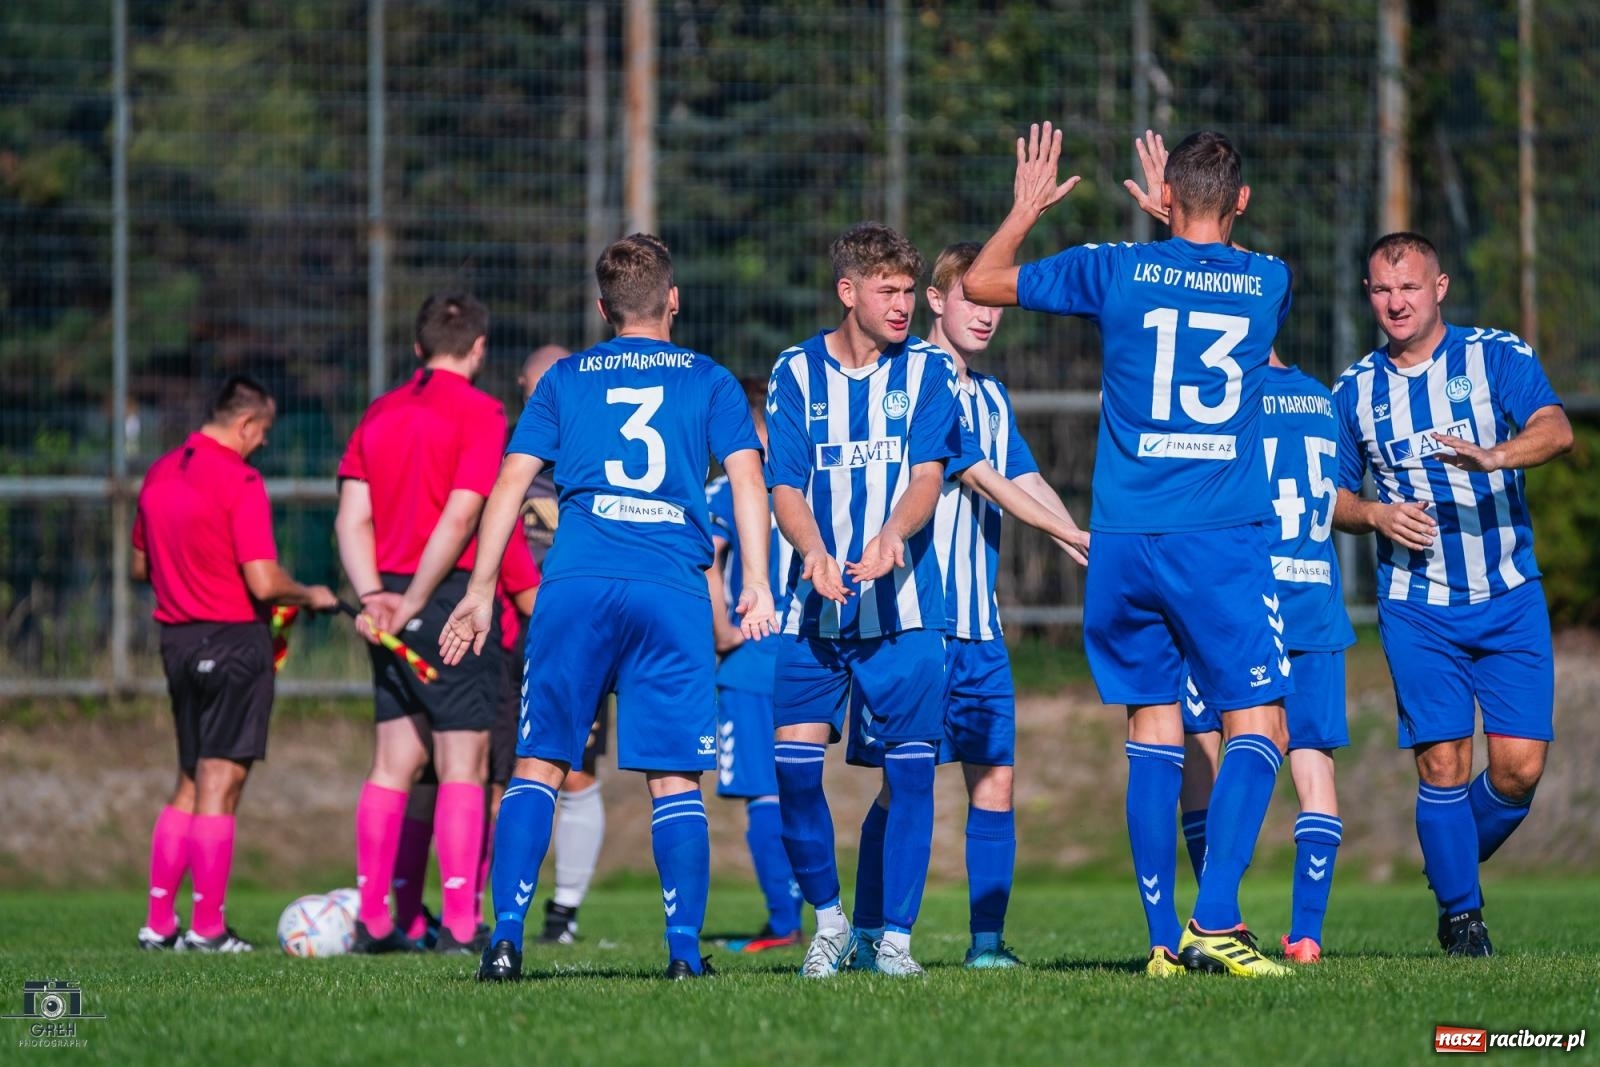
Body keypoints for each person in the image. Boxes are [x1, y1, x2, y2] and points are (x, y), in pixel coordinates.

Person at [965, 124, 1295, 977]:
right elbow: (1216, 268)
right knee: (1259, 721)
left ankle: (1159, 942)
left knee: (1152, 728)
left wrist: (1024, 209)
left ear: (1168, 196)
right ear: (1243, 201)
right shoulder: (1268, 279)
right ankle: (1214, 919)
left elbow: (981, 282)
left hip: (1120, 540)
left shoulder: (1115, 267)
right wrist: (1183, 222)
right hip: (1215, 536)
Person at [440, 233, 777, 982]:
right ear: (673, 300)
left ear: (603, 308)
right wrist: (754, 577)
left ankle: (505, 939)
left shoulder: (564, 379)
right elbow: (748, 480)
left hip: (577, 584)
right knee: (675, 779)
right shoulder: (711, 379)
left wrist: (479, 589)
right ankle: (683, 954)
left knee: (537, 764)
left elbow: (510, 482)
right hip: (671, 589)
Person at [766, 222, 1087, 979]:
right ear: (847, 292)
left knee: (926, 774)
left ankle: (905, 942)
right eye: (890, 290)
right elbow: (785, 483)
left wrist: (891, 538)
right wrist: (812, 550)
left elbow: (929, 479)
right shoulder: (796, 372)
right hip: (817, 608)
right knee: (794, 769)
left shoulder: (933, 377)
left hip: (913, 610)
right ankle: (835, 924)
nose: (902, 304)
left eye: (909, 290)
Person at [1331, 231, 1572, 957]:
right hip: (1417, 604)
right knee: (1442, 763)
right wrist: (1375, 515)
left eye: (1409, 286)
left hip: (1508, 594)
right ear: (1368, 295)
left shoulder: (1494, 355)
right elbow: (1331, 495)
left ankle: (1449, 859)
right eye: (1382, 289)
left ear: (1438, 288)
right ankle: (1462, 918)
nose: (1396, 302)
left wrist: (1496, 454)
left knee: (1519, 769)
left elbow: (1556, 429)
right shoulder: (1354, 390)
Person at [133, 375, 338, 952]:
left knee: (190, 779)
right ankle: (208, 929)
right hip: (231, 641)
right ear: (245, 423)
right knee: (221, 784)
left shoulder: (158, 472)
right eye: (264, 431)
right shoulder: (240, 479)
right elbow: (264, 581)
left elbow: (140, 566)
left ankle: (158, 924)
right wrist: (311, 594)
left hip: (176, 641)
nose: (264, 442)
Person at [335, 291, 508, 955]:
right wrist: (415, 601)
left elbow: (352, 517)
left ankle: (373, 921)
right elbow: (461, 515)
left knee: (393, 762)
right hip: (446, 597)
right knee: (462, 762)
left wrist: (375, 595)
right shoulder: (482, 412)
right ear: (479, 348)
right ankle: (460, 926)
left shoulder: (379, 411)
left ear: (417, 346)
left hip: (387, 598)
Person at [1176, 352, 1357, 965]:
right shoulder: (1322, 398)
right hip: (1317, 604)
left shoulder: (1228, 397)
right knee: (1314, 766)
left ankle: (1217, 913)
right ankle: (1307, 935)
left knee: (1207, 748)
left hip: (1246, 602)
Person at [513, 344, 611, 946]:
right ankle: (479, 908)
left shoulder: (597, 454)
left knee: (573, 770)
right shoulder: (511, 457)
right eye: (539, 380)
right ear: (522, 387)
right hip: (503, 635)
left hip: (575, 634)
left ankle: (564, 911)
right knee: (501, 772)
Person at [704, 378, 804, 953]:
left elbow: (710, 557)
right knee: (795, 786)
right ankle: (808, 914)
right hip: (800, 654)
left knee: (762, 793)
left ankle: (784, 922)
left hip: (748, 661)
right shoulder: (802, 483)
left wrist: (722, 630)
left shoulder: (728, 488)